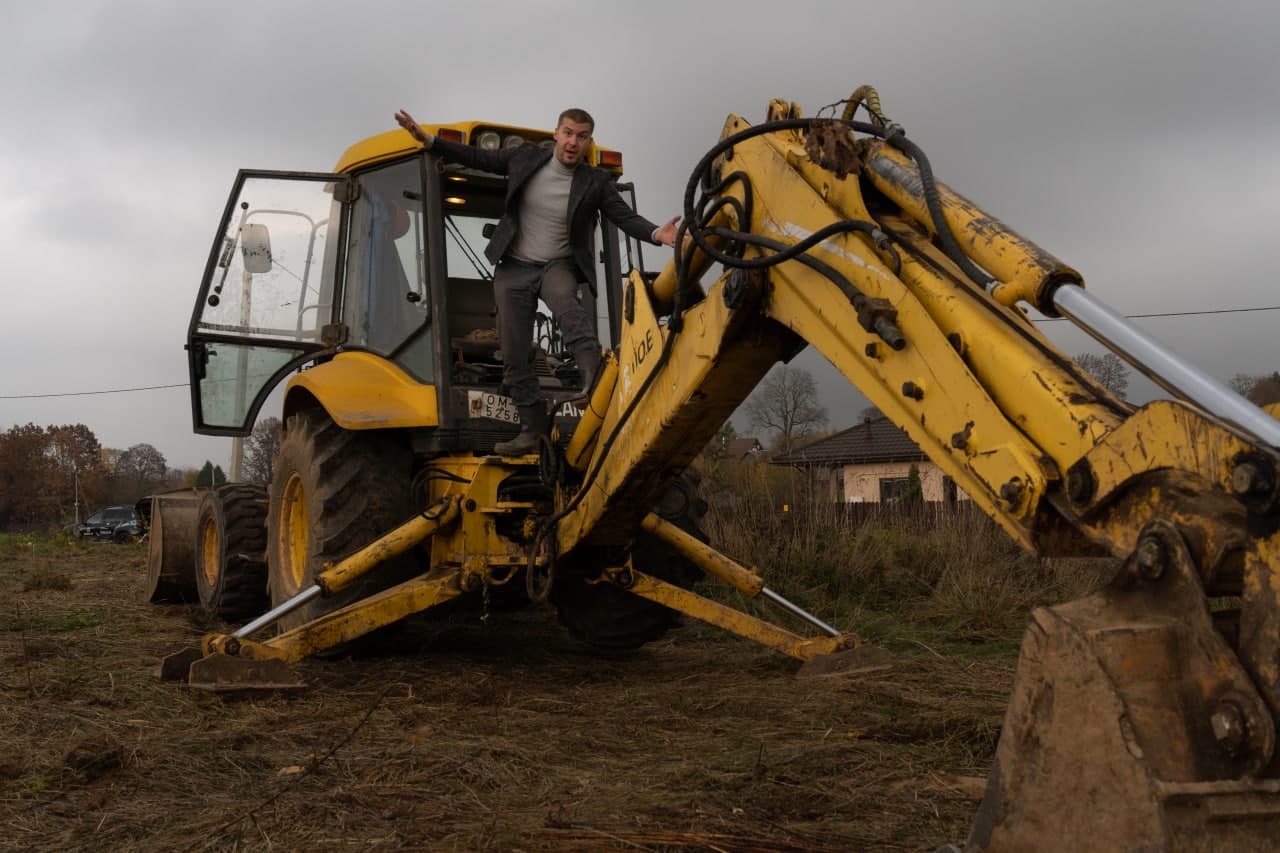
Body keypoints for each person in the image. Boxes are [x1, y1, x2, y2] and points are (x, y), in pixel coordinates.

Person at [394, 107, 679, 455]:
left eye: (582, 136)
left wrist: (655, 233)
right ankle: (531, 430)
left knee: (564, 301)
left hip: (555, 264)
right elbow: (477, 157)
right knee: (514, 353)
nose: (574, 142)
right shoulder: (525, 158)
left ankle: (595, 379)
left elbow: (624, 217)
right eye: (568, 133)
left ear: (588, 142)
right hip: (514, 266)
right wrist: (431, 141)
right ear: (556, 134)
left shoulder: (595, 182)